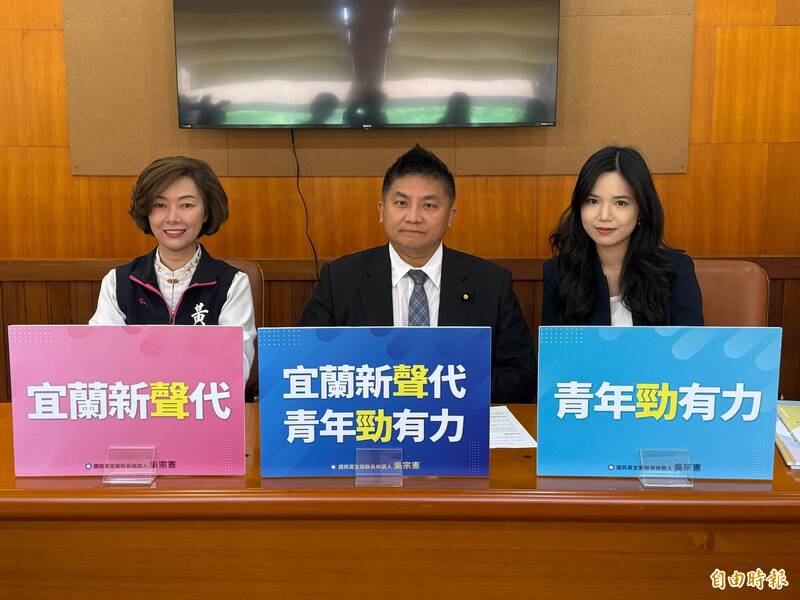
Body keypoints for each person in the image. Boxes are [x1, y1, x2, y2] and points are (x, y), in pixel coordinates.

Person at [300, 144, 536, 404]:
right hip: (371, 419)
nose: (413, 217)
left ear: (450, 216)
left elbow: (522, 377)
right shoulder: (340, 279)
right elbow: (307, 364)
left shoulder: (491, 283)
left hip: (455, 419)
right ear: (381, 211)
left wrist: (443, 386)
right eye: (401, 203)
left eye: (429, 205)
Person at [90, 156, 256, 380]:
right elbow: (102, 359)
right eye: (160, 205)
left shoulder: (233, 284)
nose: (172, 218)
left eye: (186, 205)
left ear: (206, 212)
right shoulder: (117, 283)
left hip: (203, 400)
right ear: (147, 211)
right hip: (136, 400)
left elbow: (235, 370)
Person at [542, 146, 703, 326]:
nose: (604, 216)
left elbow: (690, 342)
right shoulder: (558, 273)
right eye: (592, 201)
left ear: (642, 210)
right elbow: (554, 344)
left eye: (620, 203)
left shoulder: (676, 270)